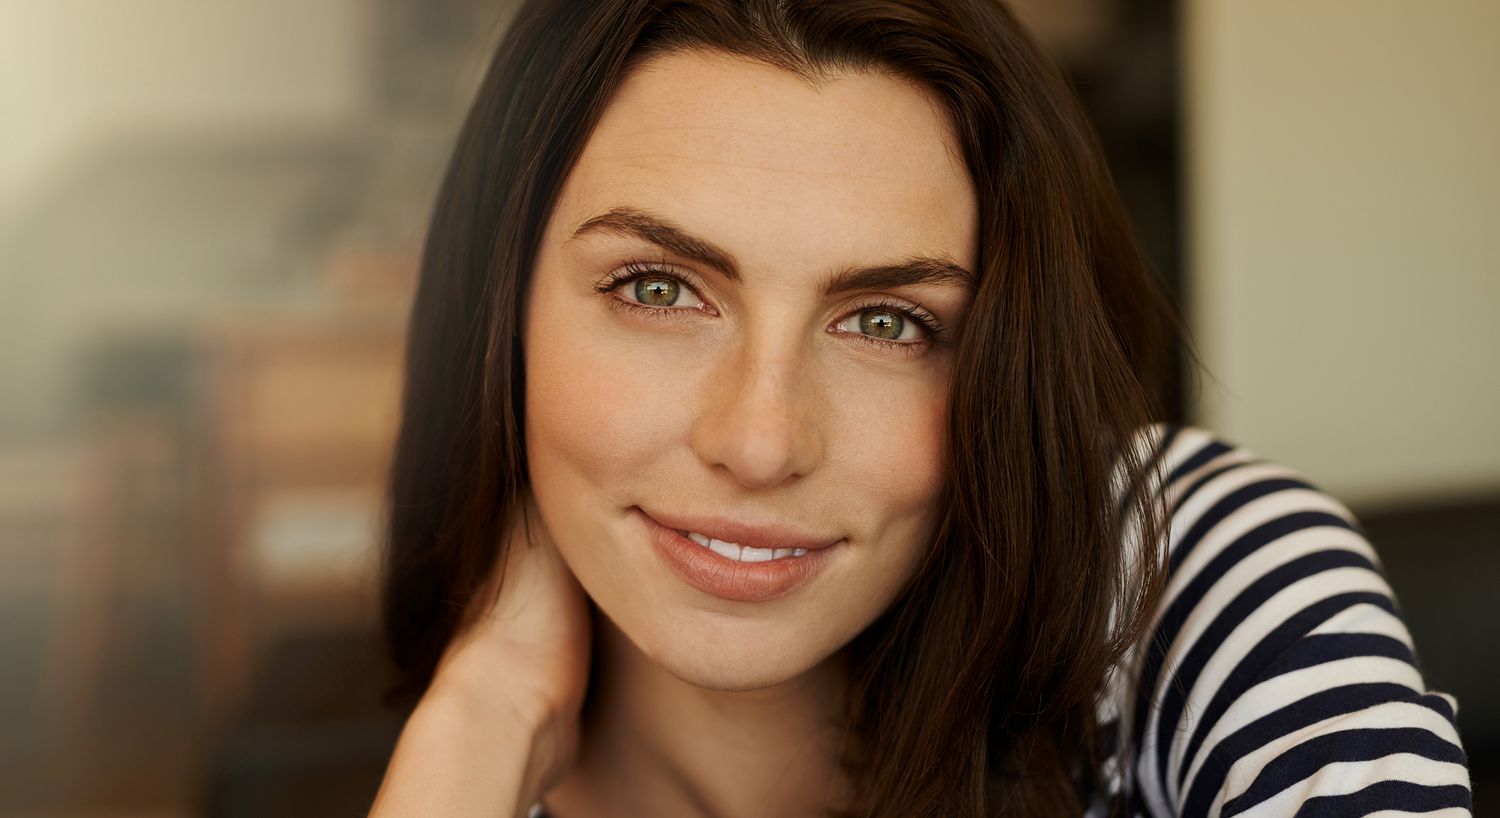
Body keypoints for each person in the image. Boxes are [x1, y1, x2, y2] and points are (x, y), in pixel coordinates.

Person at [367, 1, 1473, 816]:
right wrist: (481, 721)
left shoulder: (1177, 564)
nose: (759, 440)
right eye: (658, 289)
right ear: (498, 313)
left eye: (887, 321)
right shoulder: (465, 782)